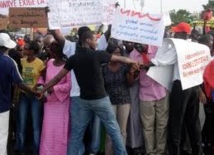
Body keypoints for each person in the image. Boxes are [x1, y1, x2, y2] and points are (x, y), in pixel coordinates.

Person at [40, 31, 139, 155]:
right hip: (100, 99)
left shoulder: (73, 58)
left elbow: (56, 78)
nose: (95, 42)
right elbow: (120, 58)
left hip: (83, 101)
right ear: (87, 40)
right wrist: (132, 61)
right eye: (93, 39)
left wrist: (43, 89)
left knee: (76, 134)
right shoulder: (97, 55)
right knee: (114, 130)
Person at [150, 22, 205, 155]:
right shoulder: (196, 46)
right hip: (194, 86)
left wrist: (148, 63)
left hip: (181, 86)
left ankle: (175, 152)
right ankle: (198, 151)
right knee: (193, 122)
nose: (174, 34)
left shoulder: (179, 48)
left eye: (176, 32)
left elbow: (162, 61)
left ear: (183, 34)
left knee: (176, 122)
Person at [0, 33, 39, 155]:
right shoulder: (10, 62)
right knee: (1, 136)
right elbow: (19, 82)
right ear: (7, 47)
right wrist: (35, 92)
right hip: (2, 105)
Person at [130, 43, 169, 155]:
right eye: (134, 43)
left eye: (139, 43)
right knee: (148, 126)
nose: (137, 46)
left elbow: (165, 65)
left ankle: (160, 151)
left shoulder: (159, 49)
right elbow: (134, 77)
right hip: (145, 93)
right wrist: (135, 70)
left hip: (161, 91)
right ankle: (150, 152)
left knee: (162, 124)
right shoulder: (133, 54)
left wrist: (149, 65)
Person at [38, 42, 71, 155]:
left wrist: (54, 88)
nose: (50, 53)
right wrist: (40, 85)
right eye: (50, 51)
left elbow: (69, 85)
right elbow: (42, 77)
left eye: (52, 51)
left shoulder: (67, 65)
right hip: (49, 102)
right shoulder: (50, 63)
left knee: (60, 131)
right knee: (48, 130)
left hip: (61, 103)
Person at [16, 41, 45, 155]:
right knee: (22, 123)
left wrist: (37, 89)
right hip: (23, 96)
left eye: (26, 48)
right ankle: (22, 149)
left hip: (35, 97)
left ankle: (36, 150)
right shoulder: (22, 61)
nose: (24, 50)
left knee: (35, 125)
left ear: (32, 51)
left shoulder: (40, 63)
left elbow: (43, 80)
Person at [102, 41, 131, 155]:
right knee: (110, 131)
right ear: (109, 54)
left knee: (122, 131)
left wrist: (130, 73)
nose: (118, 56)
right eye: (115, 53)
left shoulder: (125, 66)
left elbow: (130, 84)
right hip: (109, 102)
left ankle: (121, 152)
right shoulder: (103, 68)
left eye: (119, 53)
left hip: (124, 101)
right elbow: (102, 85)